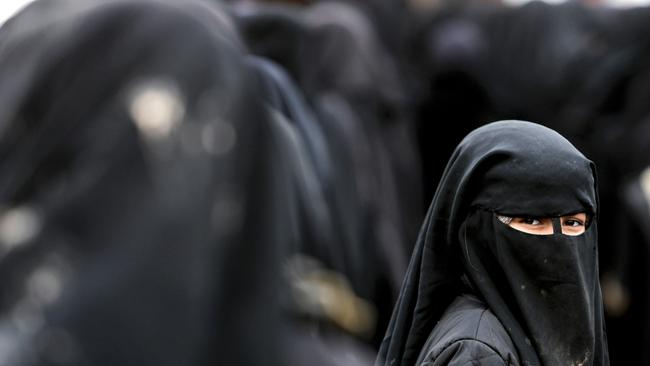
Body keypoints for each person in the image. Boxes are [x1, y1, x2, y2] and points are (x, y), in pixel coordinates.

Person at [376, 120, 609, 365]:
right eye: (531, 220)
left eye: (573, 223)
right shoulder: (477, 353)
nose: (557, 241)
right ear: (480, 229)